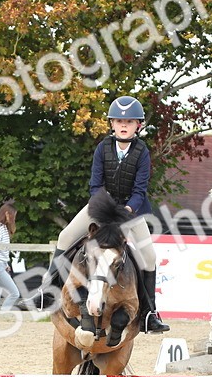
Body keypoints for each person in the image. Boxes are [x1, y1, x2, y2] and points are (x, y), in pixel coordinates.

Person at [43, 95, 169, 332]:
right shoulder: (103, 148)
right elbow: (95, 185)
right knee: (65, 236)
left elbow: (140, 190)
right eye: (119, 121)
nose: (124, 125)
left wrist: (125, 211)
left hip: (132, 211)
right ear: (111, 124)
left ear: (138, 125)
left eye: (130, 121)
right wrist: (106, 209)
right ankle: (46, 293)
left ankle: (149, 313)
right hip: (101, 206)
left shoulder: (142, 152)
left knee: (149, 257)